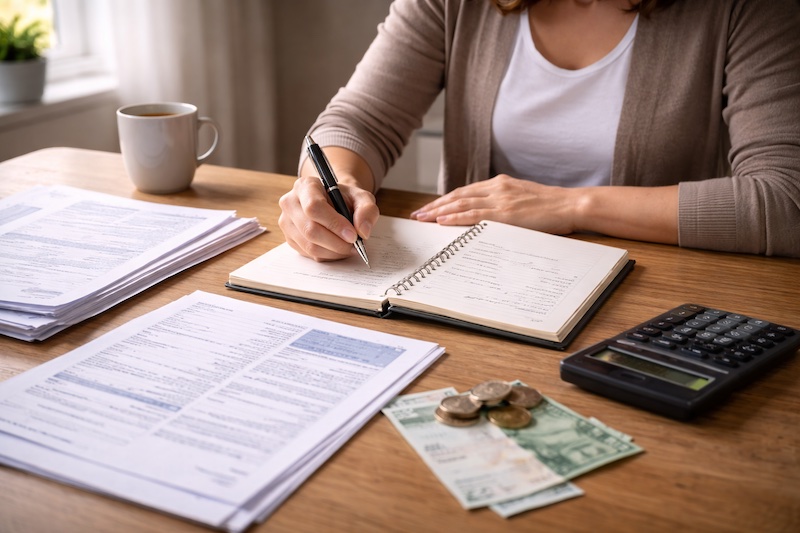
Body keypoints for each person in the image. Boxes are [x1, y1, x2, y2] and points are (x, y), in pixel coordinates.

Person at [279, 0, 800, 261]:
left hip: (656, 301)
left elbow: (785, 199)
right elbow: (360, 119)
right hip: (475, 279)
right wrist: (333, 186)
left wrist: (571, 206)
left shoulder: (747, 10)